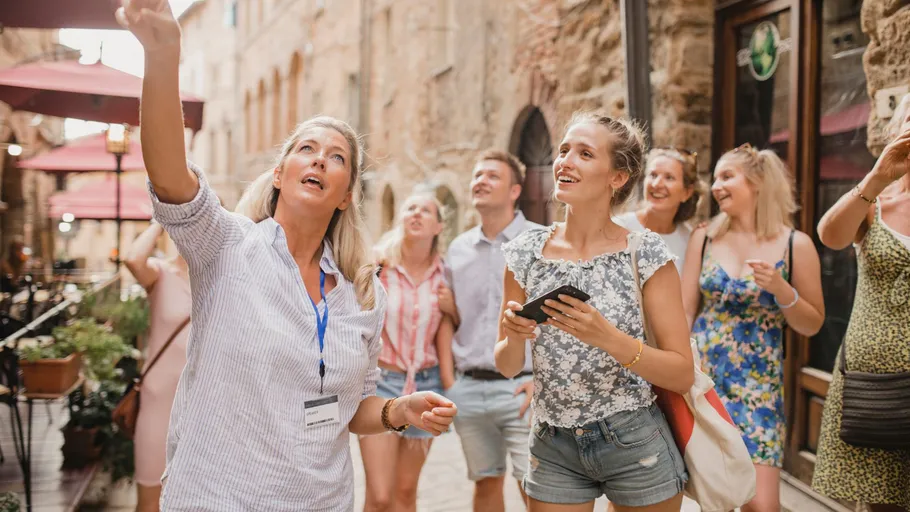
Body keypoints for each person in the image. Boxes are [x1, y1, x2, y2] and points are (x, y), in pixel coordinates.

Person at [116, 2, 457, 510]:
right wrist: (163, 55)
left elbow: (353, 408)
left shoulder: (363, 293)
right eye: (307, 149)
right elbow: (169, 174)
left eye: (337, 157)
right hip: (216, 498)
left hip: (323, 500)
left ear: (345, 195)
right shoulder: (226, 246)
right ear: (279, 174)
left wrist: (399, 409)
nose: (320, 158)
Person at [496, 112, 693, 512]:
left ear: (616, 177)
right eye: (564, 150)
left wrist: (607, 338)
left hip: (635, 440)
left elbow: (681, 371)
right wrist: (513, 335)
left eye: (585, 153)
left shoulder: (646, 253)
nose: (565, 161)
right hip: (553, 444)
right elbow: (506, 365)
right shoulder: (525, 252)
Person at [681, 144, 825, 512]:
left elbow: (811, 323)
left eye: (726, 176)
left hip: (759, 389)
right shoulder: (704, 238)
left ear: (758, 182)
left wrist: (782, 289)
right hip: (706, 385)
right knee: (714, 501)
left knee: (762, 506)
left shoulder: (796, 244)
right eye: (714, 178)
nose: (715, 186)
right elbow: (684, 313)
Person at [811, 98, 910, 512]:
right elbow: (829, 236)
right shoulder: (877, 202)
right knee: (878, 503)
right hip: (876, 386)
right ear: (896, 129)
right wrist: (875, 179)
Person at [442, 149, 539, 512]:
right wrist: (452, 383)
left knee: (537, 492)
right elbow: (449, 317)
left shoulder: (540, 241)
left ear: (515, 191)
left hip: (523, 390)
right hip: (470, 391)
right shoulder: (458, 248)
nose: (480, 181)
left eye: (492, 176)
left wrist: (543, 380)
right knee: (485, 486)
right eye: (477, 175)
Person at [360, 192, 456, 512]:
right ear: (400, 219)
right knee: (380, 495)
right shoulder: (378, 266)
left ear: (439, 226)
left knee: (404, 493)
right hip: (382, 384)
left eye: (426, 210)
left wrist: (452, 308)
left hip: (427, 387)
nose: (416, 214)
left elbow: (449, 329)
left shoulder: (445, 275)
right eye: (410, 208)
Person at [123, 221, 190, 512]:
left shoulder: (221, 280)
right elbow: (132, 259)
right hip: (158, 403)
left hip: (202, 406)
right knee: (150, 502)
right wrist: (162, 219)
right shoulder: (161, 273)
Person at [613, 147, 704, 273]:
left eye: (669, 178)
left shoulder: (689, 240)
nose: (656, 184)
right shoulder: (619, 226)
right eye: (653, 175)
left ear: (687, 193)